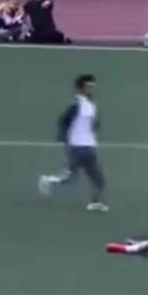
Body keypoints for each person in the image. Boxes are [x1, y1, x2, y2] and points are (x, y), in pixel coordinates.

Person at [38, 74, 107, 211]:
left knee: (99, 179)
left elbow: (93, 124)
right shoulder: (77, 105)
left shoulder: (91, 105)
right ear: (81, 88)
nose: (91, 89)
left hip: (90, 147)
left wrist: (95, 125)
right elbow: (63, 120)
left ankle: (95, 202)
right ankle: (47, 180)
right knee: (69, 178)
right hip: (77, 147)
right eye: (88, 86)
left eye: (93, 86)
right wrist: (63, 137)